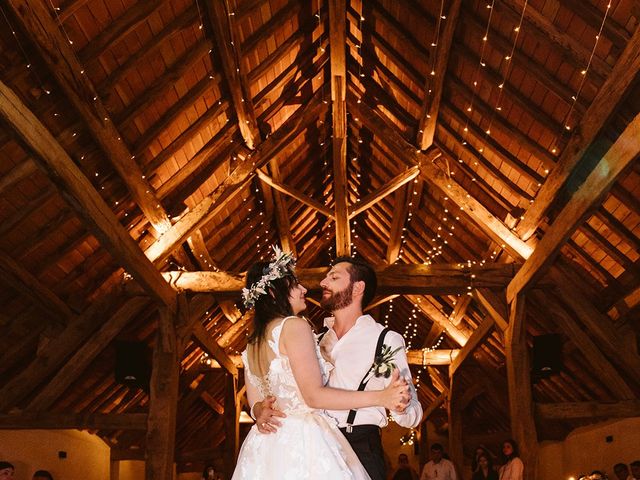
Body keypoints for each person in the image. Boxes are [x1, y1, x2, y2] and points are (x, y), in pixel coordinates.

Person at [232, 247, 411, 480]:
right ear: (275, 294)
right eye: (295, 284)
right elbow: (313, 396)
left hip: (269, 449)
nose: (307, 288)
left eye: (334, 276)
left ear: (358, 287)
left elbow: (256, 403)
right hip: (308, 444)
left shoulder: (252, 344)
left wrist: (259, 412)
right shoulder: (298, 328)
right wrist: (381, 397)